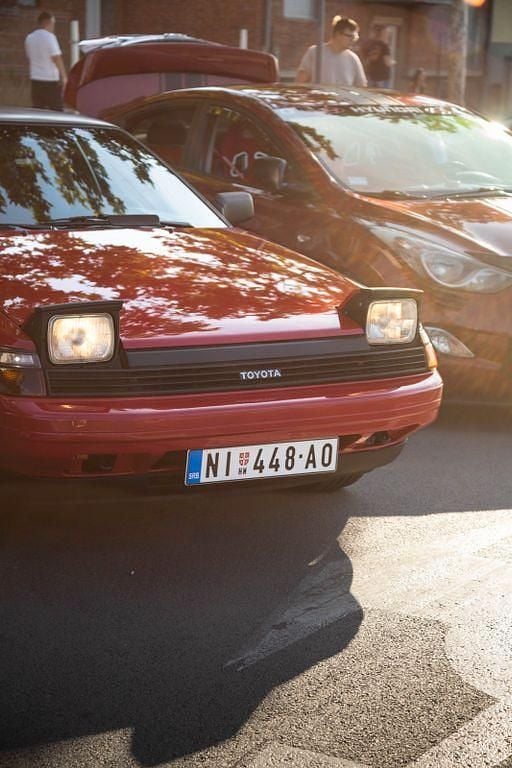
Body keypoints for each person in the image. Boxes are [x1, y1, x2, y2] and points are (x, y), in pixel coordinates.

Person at [296, 16, 367, 88]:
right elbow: (300, 82)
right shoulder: (315, 52)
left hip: (342, 96)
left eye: (355, 37)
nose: (353, 40)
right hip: (319, 95)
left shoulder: (353, 58)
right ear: (337, 34)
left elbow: (362, 86)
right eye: (350, 36)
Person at [25, 11, 67, 111]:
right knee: (56, 110)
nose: (53, 27)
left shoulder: (29, 38)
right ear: (48, 23)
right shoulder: (50, 37)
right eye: (53, 24)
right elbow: (56, 58)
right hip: (50, 80)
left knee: (38, 110)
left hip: (35, 79)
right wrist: (64, 77)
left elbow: (29, 56)